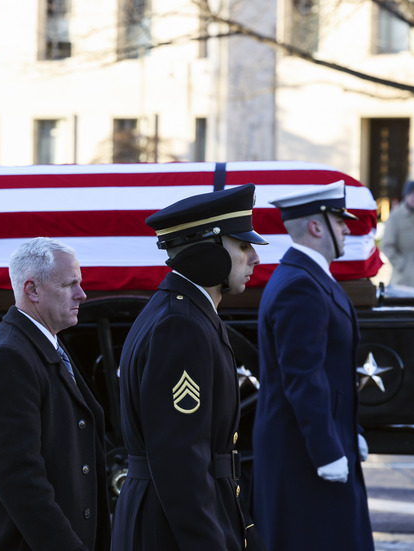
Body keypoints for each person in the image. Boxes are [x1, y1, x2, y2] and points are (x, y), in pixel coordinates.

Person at [111, 184, 268, 551]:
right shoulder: (180, 326)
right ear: (206, 253)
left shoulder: (189, 315)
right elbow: (180, 459)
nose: (254, 259)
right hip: (170, 530)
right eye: (242, 246)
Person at [0, 237, 111, 551]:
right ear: (32, 290)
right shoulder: (8, 358)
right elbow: (19, 478)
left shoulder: (40, 343)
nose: (82, 294)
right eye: (69, 285)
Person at [252, 180, 374, 551]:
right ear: (317, 226)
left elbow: (330, 372)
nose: (347, 228)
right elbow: (303, 377)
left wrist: (347, 431)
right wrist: (327, 451)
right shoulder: (299, 285)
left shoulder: (310, 278)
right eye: (340, 222)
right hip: (304, 454)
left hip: (320, 443)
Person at [380, 180, 414, 290]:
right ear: (405, 196)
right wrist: (401, 264)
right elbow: (386, 245)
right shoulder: (395, 217)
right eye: (410, 194)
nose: (413, 197)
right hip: (404, 275)